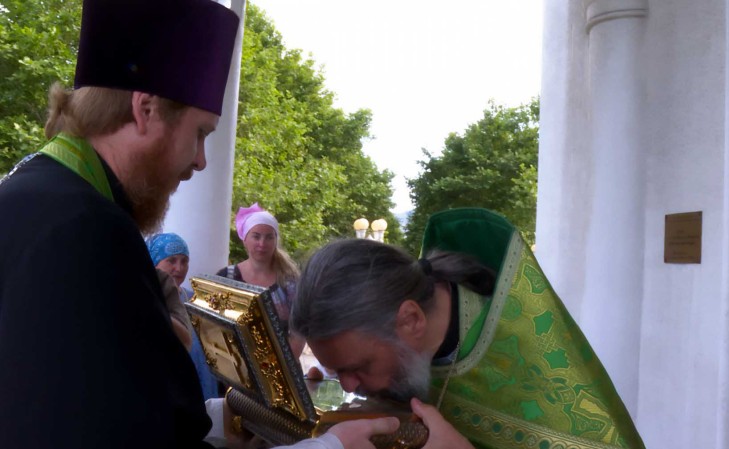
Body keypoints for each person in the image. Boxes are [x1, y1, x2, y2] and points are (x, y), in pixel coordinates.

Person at [0, 0, 428, 447]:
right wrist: (330, 447)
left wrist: (220, 419)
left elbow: (98, 403)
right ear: (146, 109)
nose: (201, 161)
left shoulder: (37, 197)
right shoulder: (88, 230)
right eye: (200, 133)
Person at [291, 208, 646, 449]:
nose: (348, 386)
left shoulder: (528, 367)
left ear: (411, 320)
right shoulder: (406, 353)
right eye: (337, 371)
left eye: (357, 367)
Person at [217, 203, 305, 358]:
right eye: (256, 236)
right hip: (235, 363)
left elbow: (300, 330)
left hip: (281, 364)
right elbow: (214, 326)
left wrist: (283, 363)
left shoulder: (289, 282)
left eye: (269, 237)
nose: (262, 244)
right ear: (245, 239)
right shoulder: (226, 277)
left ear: (275, 241)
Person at [147, 232, 220, 401]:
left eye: (184, 261)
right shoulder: (148, 300)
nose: (179, 268)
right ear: (154, 262)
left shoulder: (195, 300)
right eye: (171, 261)